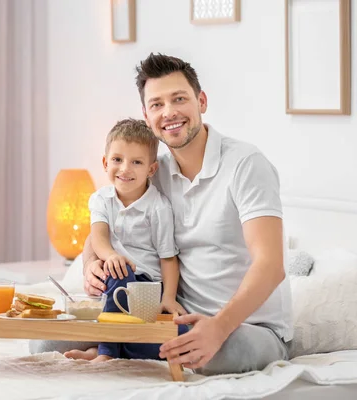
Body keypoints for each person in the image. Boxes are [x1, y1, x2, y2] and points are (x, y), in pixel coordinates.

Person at [80, 53, 293, 375]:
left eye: (179, 99)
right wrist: (90, 265)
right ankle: (124, 345)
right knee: (44, 343)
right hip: (173, 319)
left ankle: (118, 346)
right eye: (156, 104)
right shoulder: (153, 170)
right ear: (147, 115)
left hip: (247, 327)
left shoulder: (246, 164)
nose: (169, 113)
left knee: (223, 350)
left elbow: (271, 265)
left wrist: (219, 327)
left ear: (201, 101)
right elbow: (103, 228)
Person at [67, 118, 187, 363]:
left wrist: (168, 298)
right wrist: (111, 256)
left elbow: (168, 259)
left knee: (177, 337)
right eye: (117, 160)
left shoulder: (158, 207)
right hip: (114, 279)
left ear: (151, 170)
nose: (125, 169)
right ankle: (107, 352)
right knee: (118, 271)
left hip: (146, 285)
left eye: (136, 162)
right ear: (105, 162)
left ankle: (105, 350)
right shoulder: (102, 199)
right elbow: (98, 237)